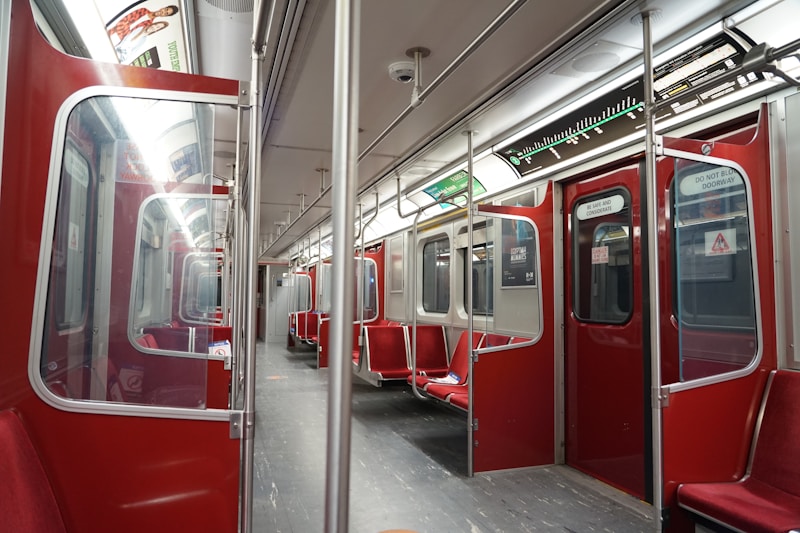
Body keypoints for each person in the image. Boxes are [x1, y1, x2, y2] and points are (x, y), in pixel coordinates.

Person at [107, 5, 179, 44]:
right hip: (115, 30)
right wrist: (124, 27)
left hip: (121, 38)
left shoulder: (149, 25)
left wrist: (125, 34)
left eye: (166, 13)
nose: (163, 12)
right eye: (166, 9)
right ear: (163, 7)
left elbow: (133, 34)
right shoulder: (143, 10)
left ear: (164, 16)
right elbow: (126, 18)